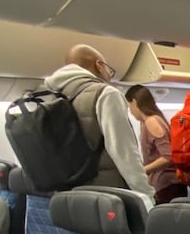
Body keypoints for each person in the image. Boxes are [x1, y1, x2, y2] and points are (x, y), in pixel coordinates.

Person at [44, 44, 153, 197]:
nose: (110, 76)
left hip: (70, 193)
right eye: (110, 70)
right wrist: (146, 194)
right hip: (108, 193)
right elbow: (124, 152)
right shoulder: (106, 93)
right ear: (99, 65)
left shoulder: (50, 98)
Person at [125, 84, 187, 204]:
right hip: (170, 184)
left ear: (134, 102)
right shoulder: (154, 119)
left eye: (130, 106)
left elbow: (167, 156)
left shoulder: (152, 121)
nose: (131, 112)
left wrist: (142, 170)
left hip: (166, 185)